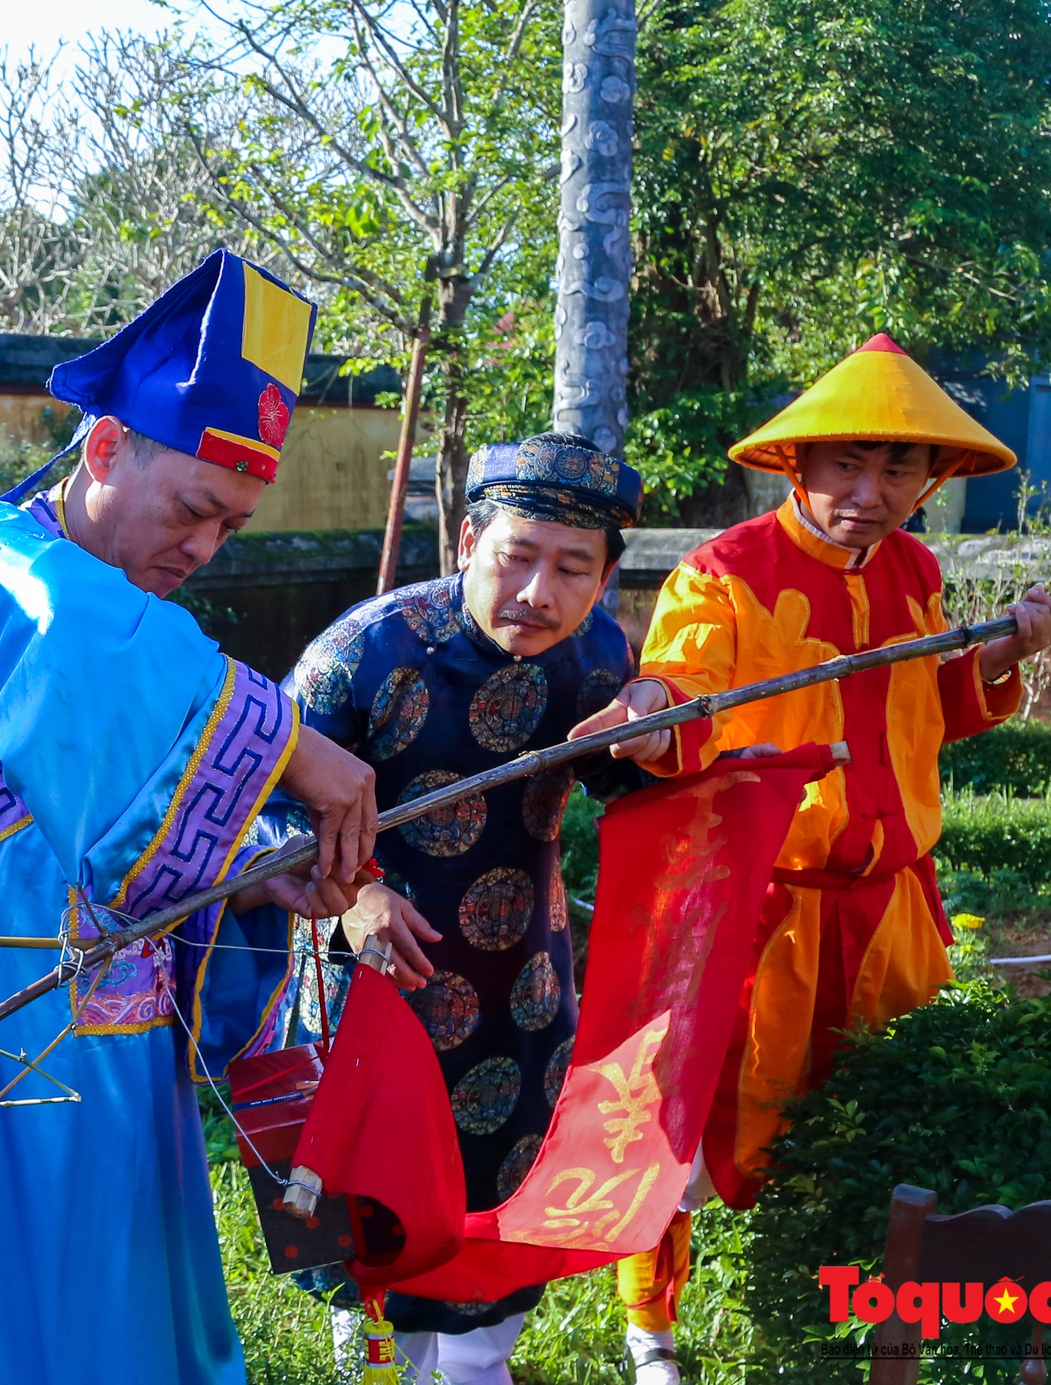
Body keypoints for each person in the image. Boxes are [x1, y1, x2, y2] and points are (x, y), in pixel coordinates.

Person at [0, 249, 380, 1385]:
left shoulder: (116, 605)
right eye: (193, 508)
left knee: (125, 1305)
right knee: (3, 1322)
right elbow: (103, 661)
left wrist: (235, 871)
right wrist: (296, 746)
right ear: (101, 447)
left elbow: (99, 814)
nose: (200, 546)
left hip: (114, 1040)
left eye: (229, 528)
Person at [573, 334, 1051, 1385]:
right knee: (695, 1119)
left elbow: (932, 706)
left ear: (931, 477)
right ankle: (650, 1331)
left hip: (888, 907)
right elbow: (679, 680)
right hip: (762, 907)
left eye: (897, 468)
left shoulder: (916, 568)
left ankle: (857, 1305)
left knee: (879, 1112)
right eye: (846, 462)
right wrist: (651, 708)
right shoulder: (727, 570)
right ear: (798, 464)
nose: (871, 491)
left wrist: (1003, 653)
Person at [288, 433, 647, 1385]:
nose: (539, 592)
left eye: (574, 568)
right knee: (366, 1182)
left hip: (519, 983)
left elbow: (641, 792)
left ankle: (480, 1364)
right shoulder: (364, 653)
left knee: (503, 1174)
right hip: (367, 972)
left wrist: (661, 715)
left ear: (606, 575)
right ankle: (373, 1362)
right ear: (465, 540)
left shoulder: (600, 657)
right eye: (516, 557)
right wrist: (354, 896)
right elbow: (259, 805)